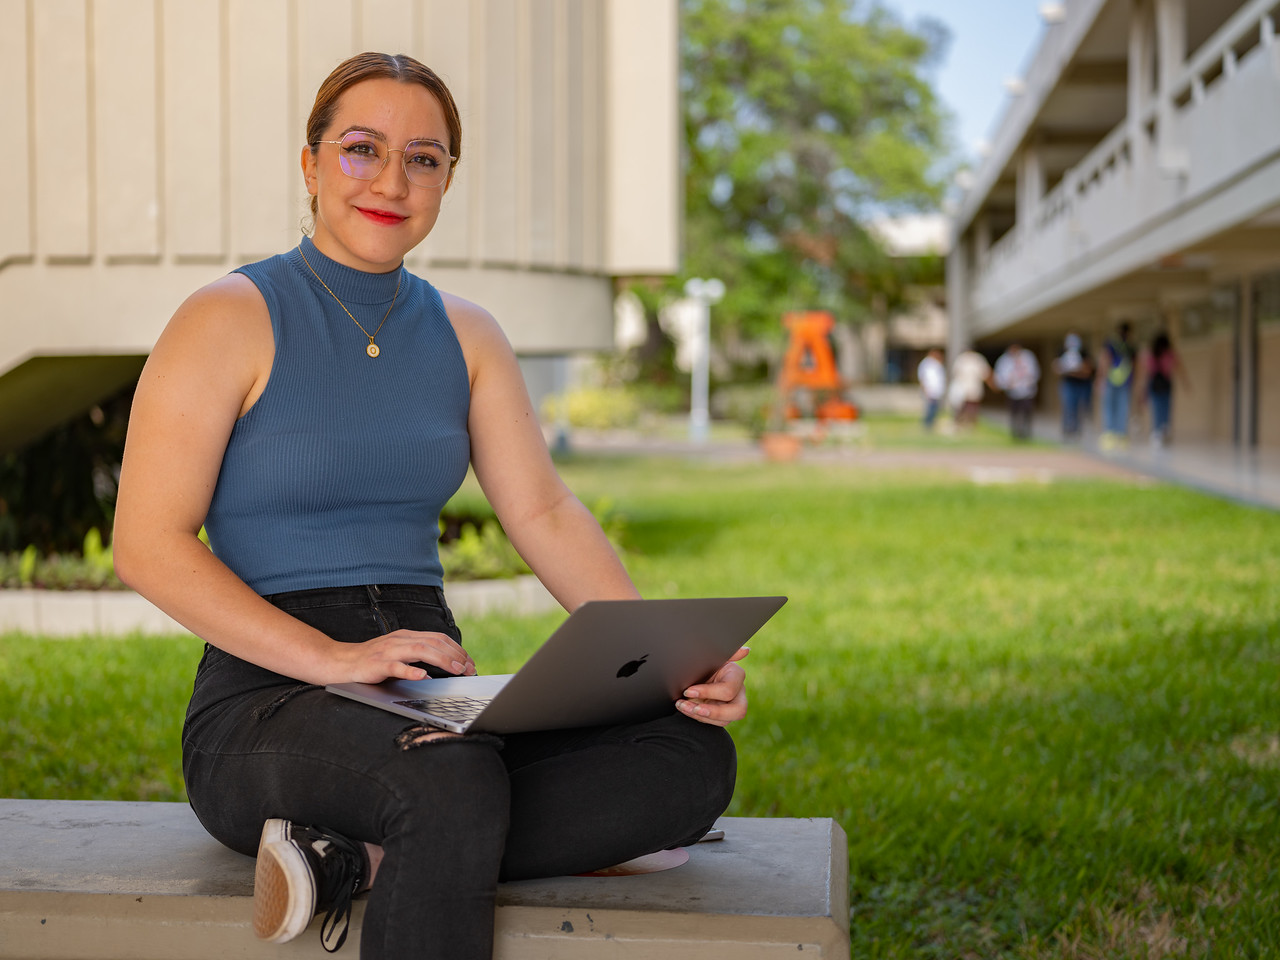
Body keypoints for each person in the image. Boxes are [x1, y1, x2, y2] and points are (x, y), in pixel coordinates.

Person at [112, 52, 747, 960]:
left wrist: (663, 661)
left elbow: (546, 512)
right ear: (311, 164)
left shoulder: (467, 333)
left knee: (686, 758)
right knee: (449, 783)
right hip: (267, 699)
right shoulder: (226, 317)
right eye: (362, 149)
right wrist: (335, 659)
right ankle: (421, 831)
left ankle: (351, 859)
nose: (391, 181)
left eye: (424, 158)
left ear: (448, 179)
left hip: (430, 694)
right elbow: (146, 544)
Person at [1141, 331, 1189, 447]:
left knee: (1157, 408)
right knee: (1166, 408)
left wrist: (1143, 390)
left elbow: (1147, 372)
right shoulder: (1170, 354)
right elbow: (1179, 368)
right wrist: (1186, 383)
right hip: (1166, 384)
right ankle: (1164, 430)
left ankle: (1157, 433)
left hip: (1154, 384)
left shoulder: (1151, 354)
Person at [1098, 321, 1137, 449]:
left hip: (1111, 379)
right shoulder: (1130, 345)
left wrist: (1101, 377)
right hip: (1126, 381)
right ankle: (1122, 436)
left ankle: (1109, 435)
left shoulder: (1111, 343)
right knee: (1123, 408)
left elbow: (1105, 359)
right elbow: (1135, 364)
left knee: (1109, 407)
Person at [992, 342, 1041, 441]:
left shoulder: (1028, 357)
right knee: (1014, 414)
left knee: (1027, 413)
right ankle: (1015, 434)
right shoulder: (1004, 360)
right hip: (1012, 392)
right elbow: (999, 377)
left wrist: (1029, 381)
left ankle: (1026, 434)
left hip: (1027, 391)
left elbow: (1035, 372)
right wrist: (1006, 384)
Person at [1052, 332, 1094, 440]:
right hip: (1068, 384)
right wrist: (1073, 371)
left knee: (1080, 408)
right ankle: (1067, 430)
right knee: (1068, 407)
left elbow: (1086, 371)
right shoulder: (1062, 352)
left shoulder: (1084, 353)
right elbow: (1056, 368)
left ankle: (1076, 431)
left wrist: (1072, 371)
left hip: (1081, 385)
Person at [947, 348, 993, 428]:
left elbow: (985, 373)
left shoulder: (977, 359)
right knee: (961, 407)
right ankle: (960, 423)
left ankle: (970, 424)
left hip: (974, 388)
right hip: (963, 388)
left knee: (972, 407)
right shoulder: (961, 359)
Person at [917, 348, 946, 430]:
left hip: (936, 391)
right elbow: (922, 377)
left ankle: (931, 425)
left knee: (935, 409)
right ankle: (927, 426)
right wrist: (925, 390)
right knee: (930, 409)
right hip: (930, 391)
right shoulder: (926, 363)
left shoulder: (936, 364)